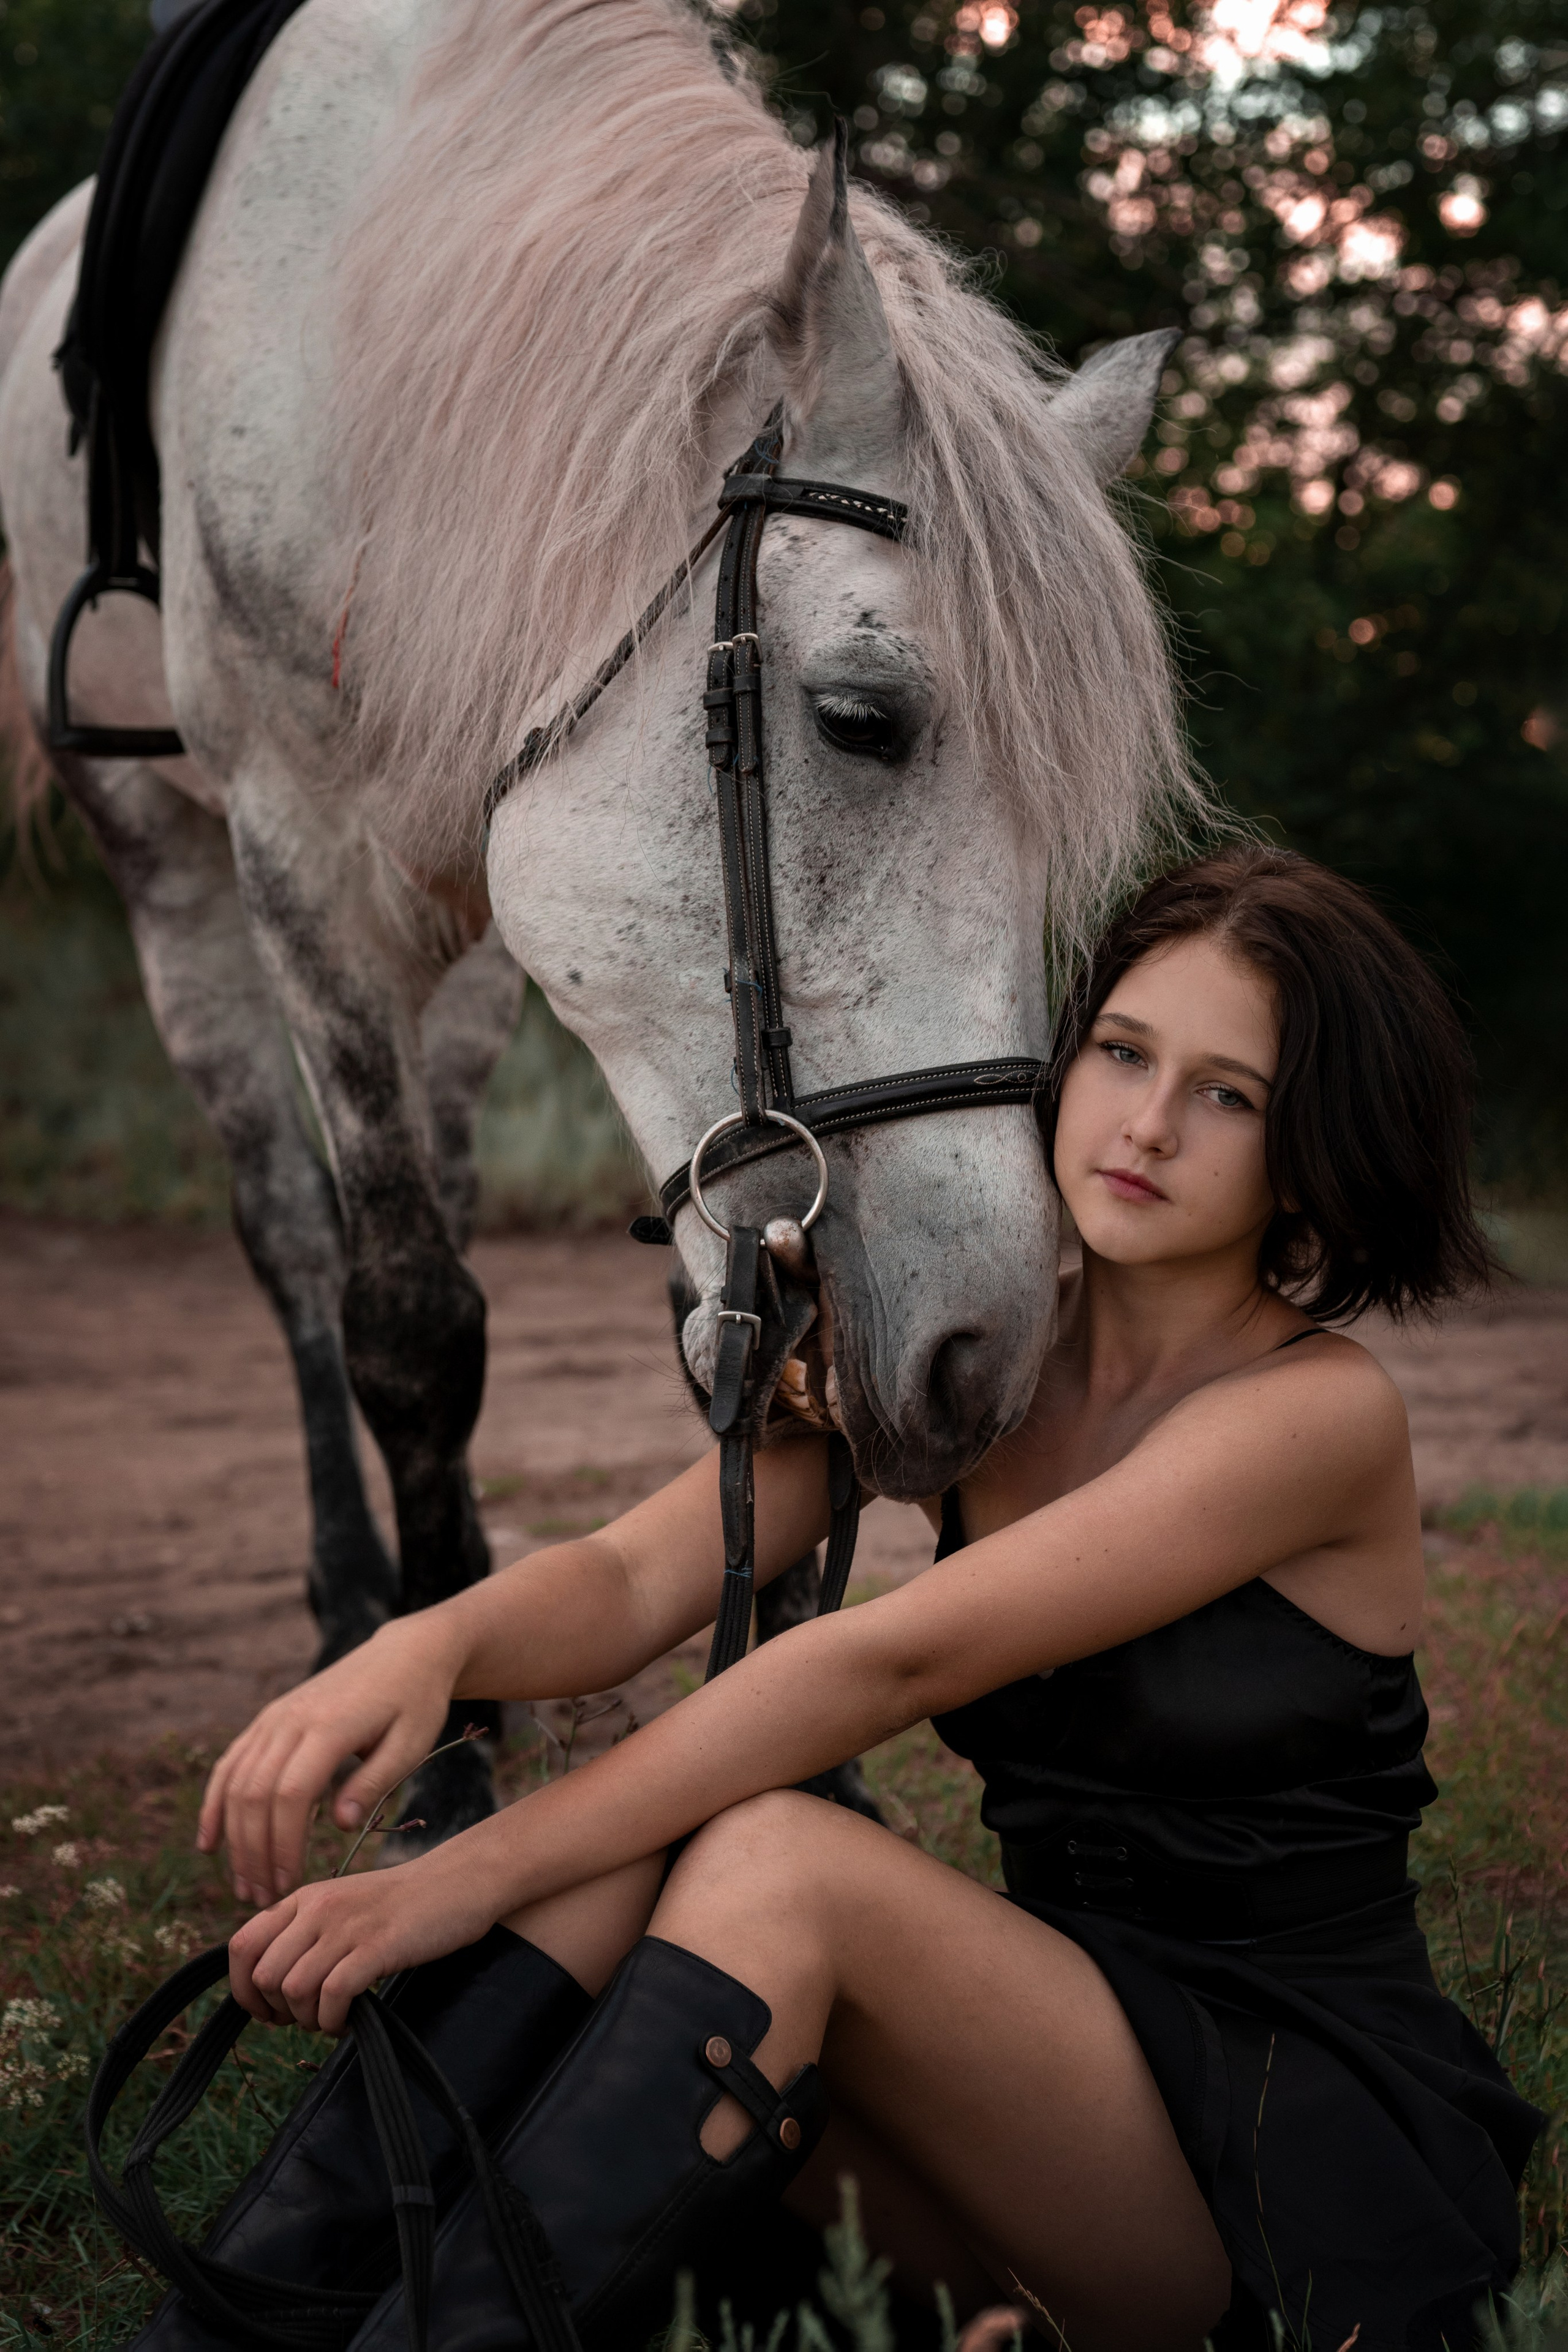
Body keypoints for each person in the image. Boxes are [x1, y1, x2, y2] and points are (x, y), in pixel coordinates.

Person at [182, 845, 1540, 2352]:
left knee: (777, 1854)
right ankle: (241, 2325)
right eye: (1121, 1052)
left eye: (1228, 1094)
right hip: (1016, 2098)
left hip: (1277, 2158)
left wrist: (459, 1872)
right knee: (623, 1859)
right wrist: (425, 1645)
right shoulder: (984, 1355)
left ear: (1315, 1145)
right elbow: (642, 1572)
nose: (1147, 1125)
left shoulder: (1312, 1416)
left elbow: (886, 1664)